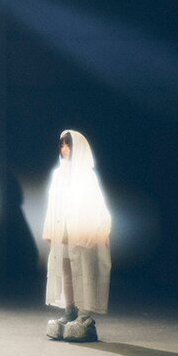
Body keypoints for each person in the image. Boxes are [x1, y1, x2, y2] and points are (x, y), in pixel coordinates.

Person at [43, 130, 111, 342]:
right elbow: (53, 203)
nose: (64, 149)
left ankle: (84, 314)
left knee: (82, 269)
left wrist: (100, 228)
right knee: (66, 268)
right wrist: (49, 228)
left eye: (68, 145)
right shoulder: (59, 174)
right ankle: (70, 309)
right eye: (62, 145)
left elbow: (96, 204)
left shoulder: (86, 175)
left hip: (81, 230)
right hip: (63, 230)